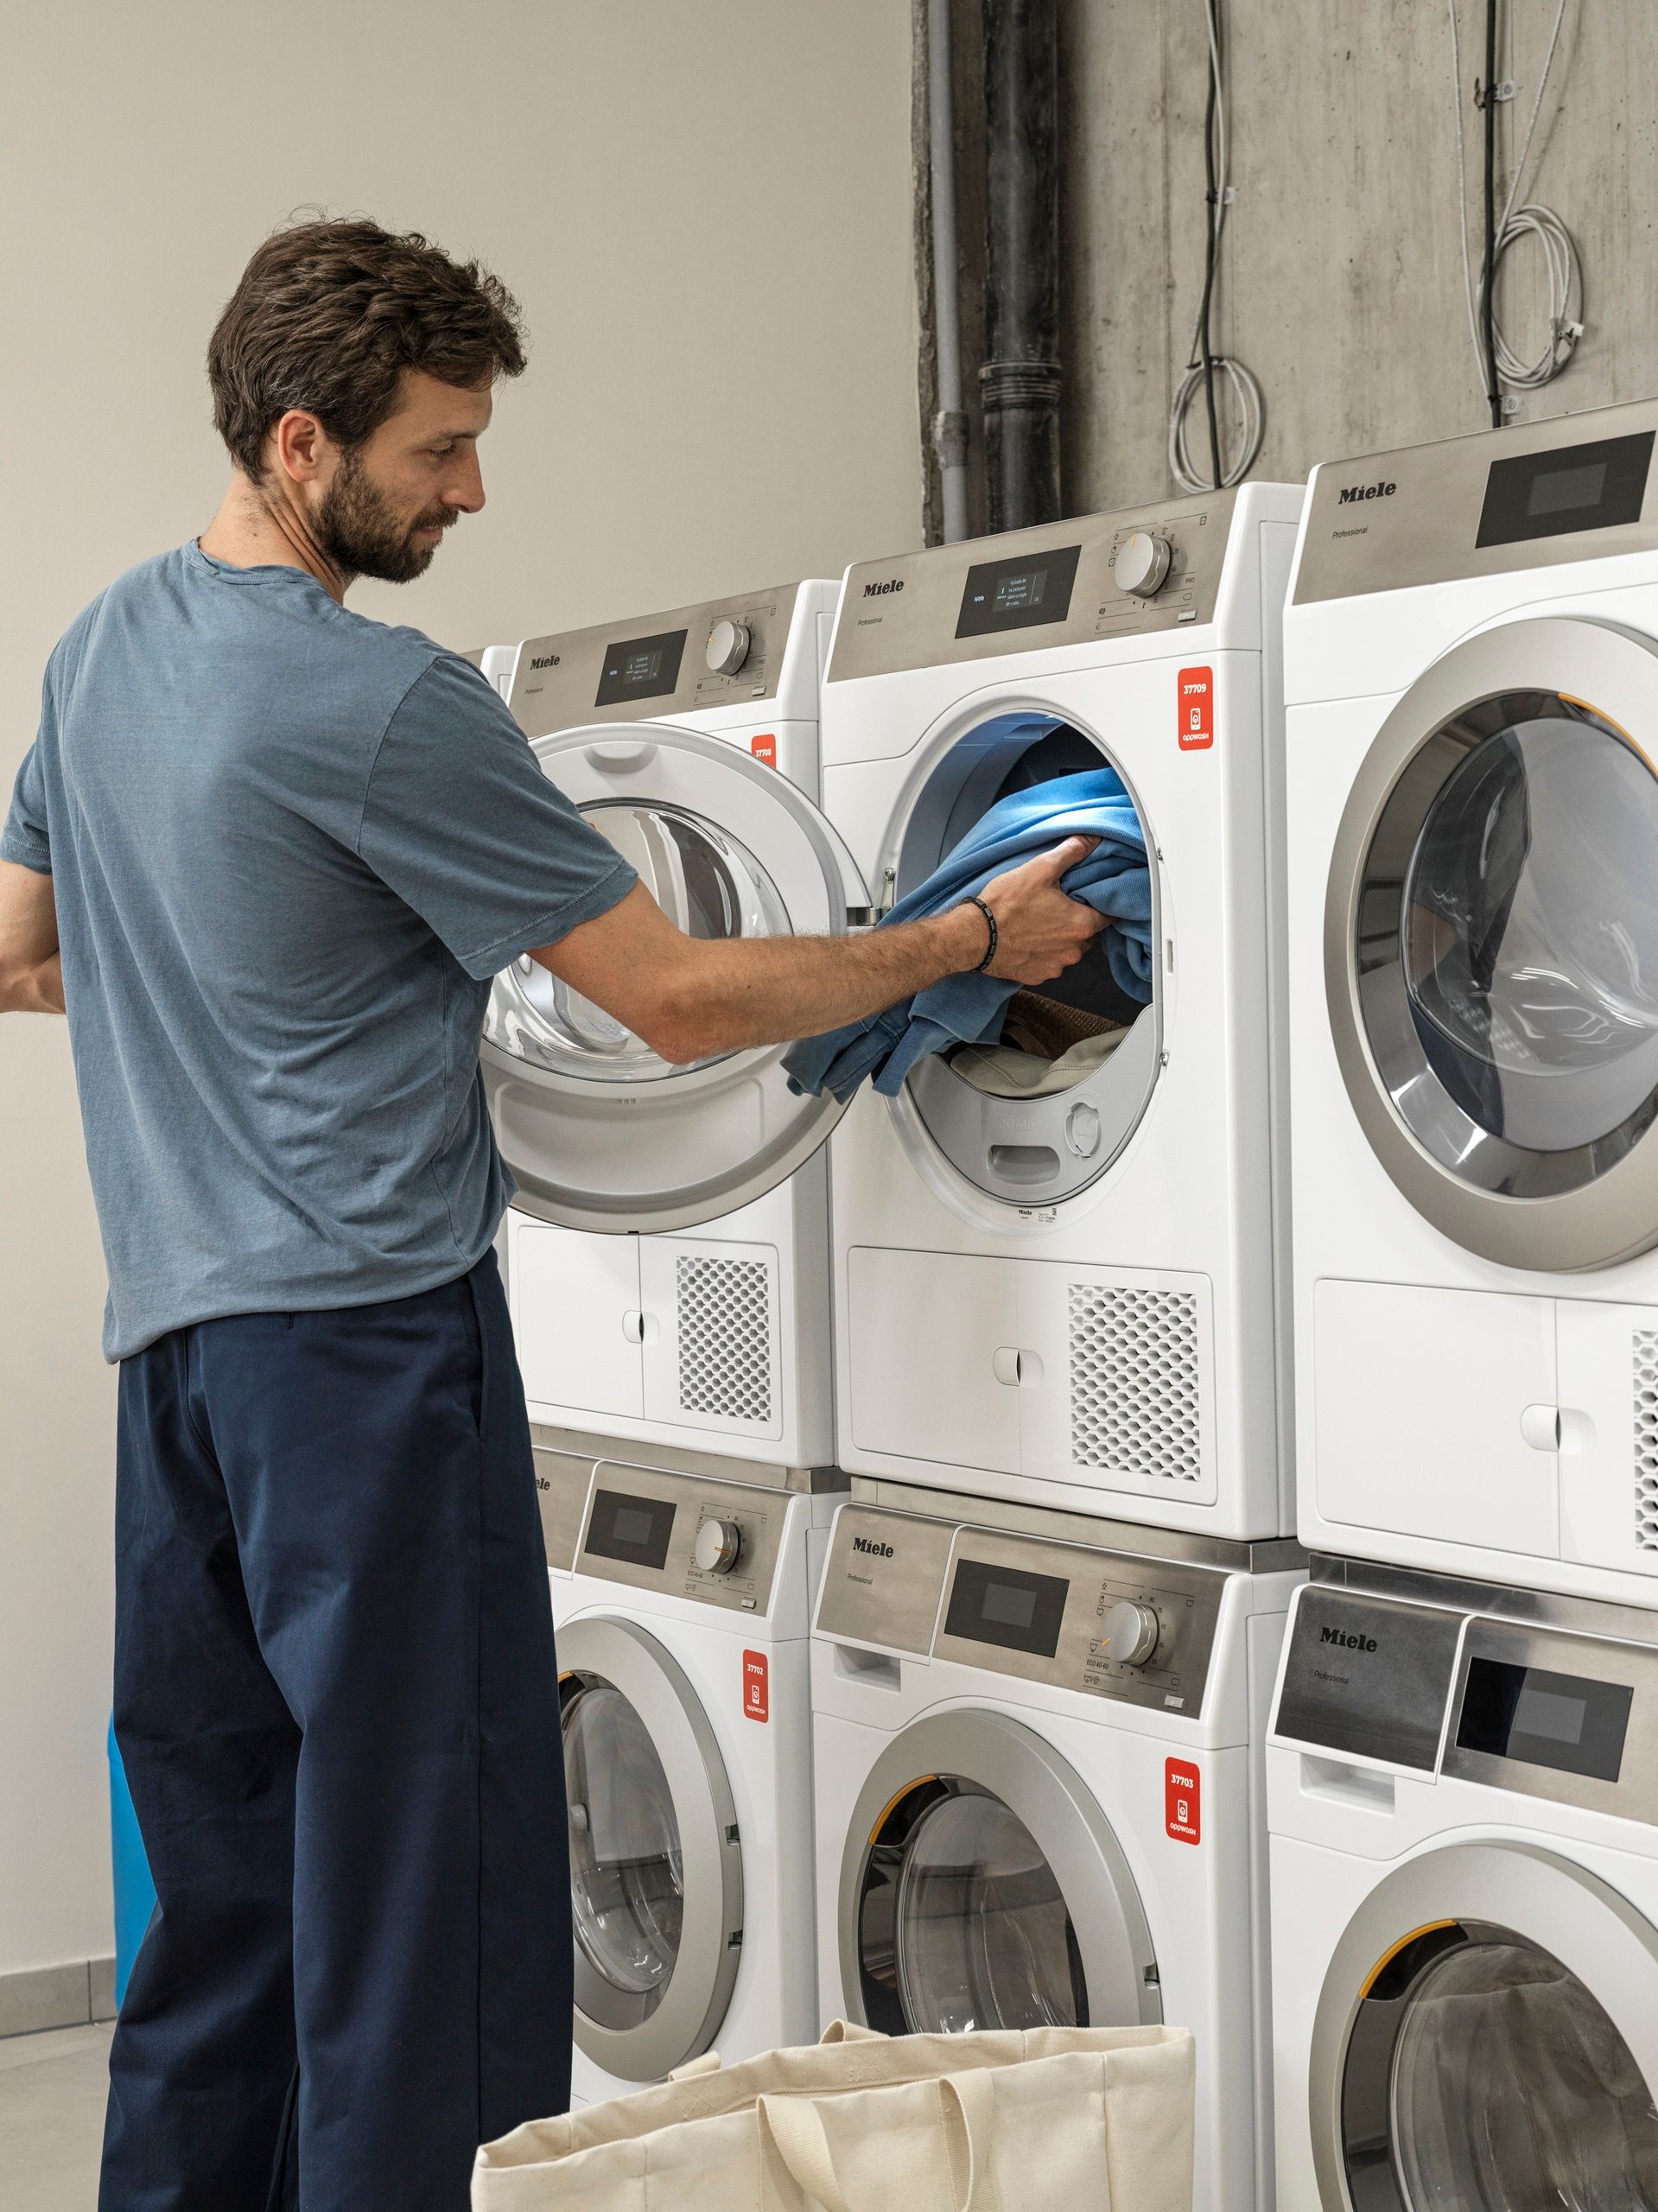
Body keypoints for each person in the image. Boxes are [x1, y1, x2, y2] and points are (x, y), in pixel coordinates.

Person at [0, 216, 1107, 2212]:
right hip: (363, 1362)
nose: (474, 488)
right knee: (425, 1903)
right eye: (440, 450)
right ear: (307, 442)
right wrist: (969, 930)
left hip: (175, 1373)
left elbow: (14, 952)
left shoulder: (99, 655)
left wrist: (226, 976)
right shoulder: (388, 707)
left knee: (219, 1899)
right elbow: (675, 998)